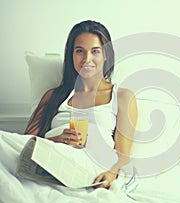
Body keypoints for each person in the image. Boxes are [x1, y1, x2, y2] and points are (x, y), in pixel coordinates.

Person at [24, 20, 138, 189]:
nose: (87, 59)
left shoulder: (122, 97)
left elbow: (122, 154)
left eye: (95, 51)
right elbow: (23, 144)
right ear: (71, 55)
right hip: (50, 164)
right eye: (79, 51)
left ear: (106, 55)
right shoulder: (54, 96)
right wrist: (55, 141)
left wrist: (111, 174)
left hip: (88, 167)